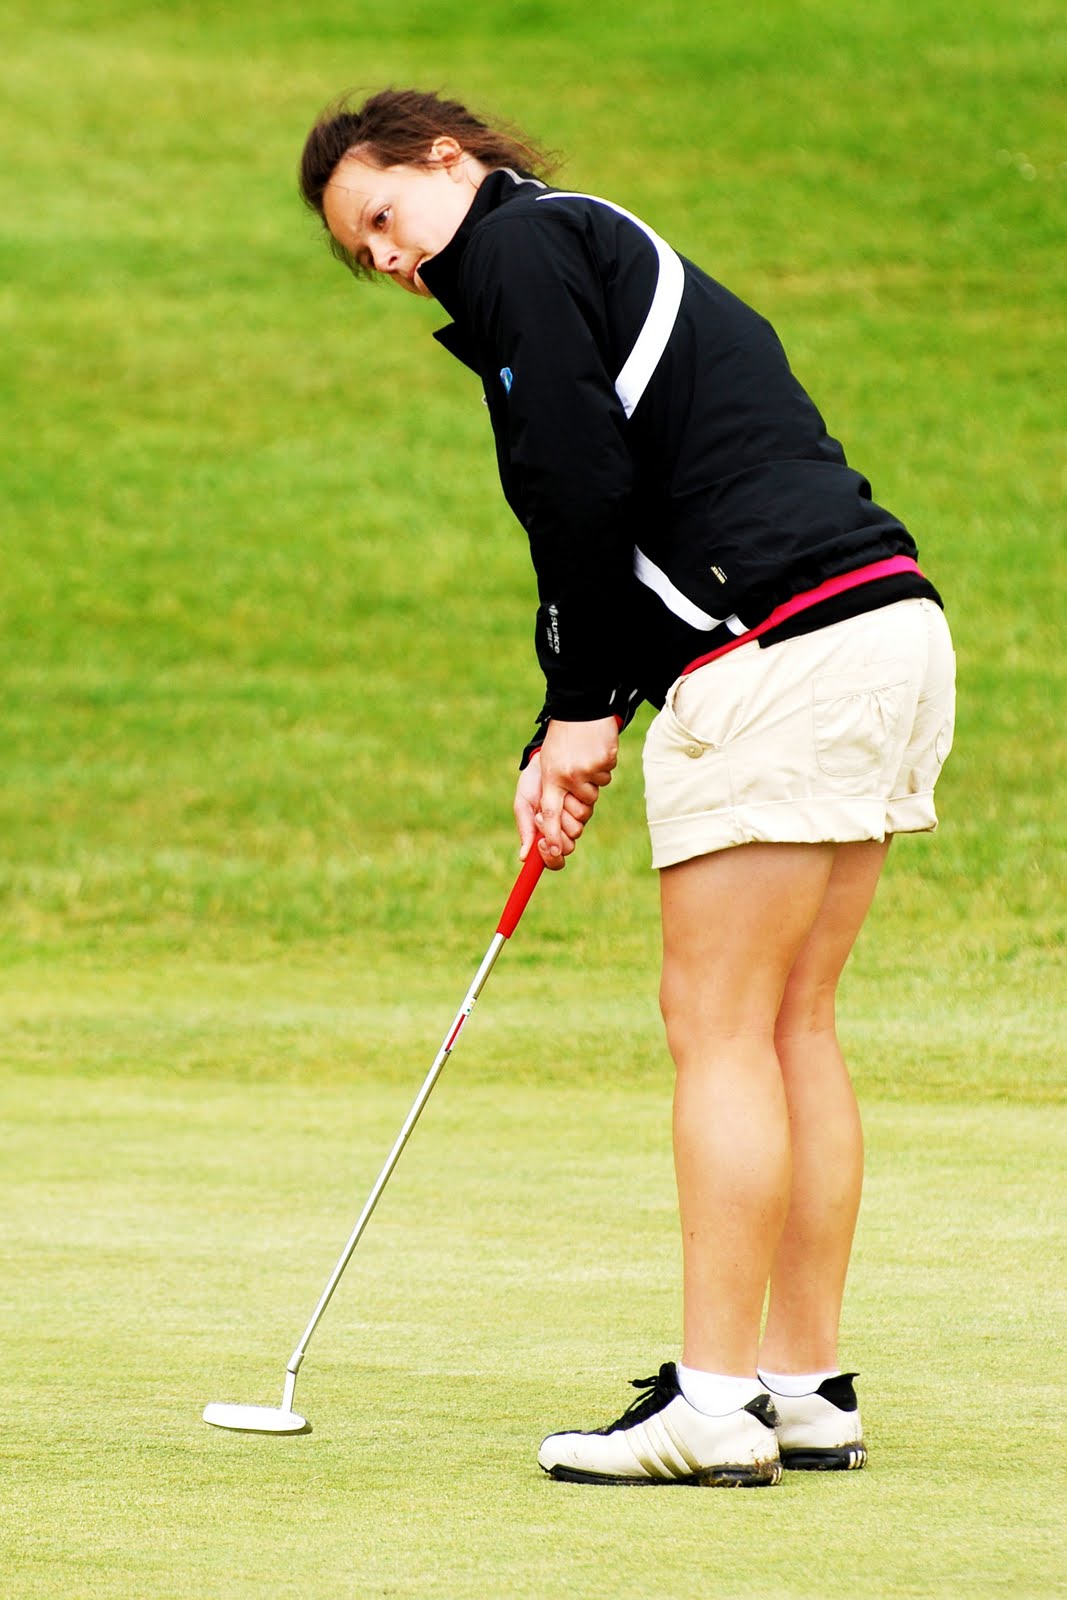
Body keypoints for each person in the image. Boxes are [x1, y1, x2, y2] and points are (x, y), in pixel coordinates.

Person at [298, 88, 956, 1487]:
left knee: (719, 1025)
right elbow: (630, 505)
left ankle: (713, 1406)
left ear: (449, 159)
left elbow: (576, 485)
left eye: (384, 217)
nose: (390, 259)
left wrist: (583, 706)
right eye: (364, 255)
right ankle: (802, 1388)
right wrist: (567, 715)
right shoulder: (584, 242)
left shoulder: (520, 249)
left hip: (776, 647)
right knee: (791, 1022)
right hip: (882, 628)